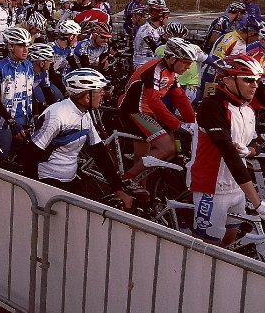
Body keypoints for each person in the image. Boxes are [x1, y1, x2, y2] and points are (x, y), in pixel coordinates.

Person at [18, 68, 134, 207]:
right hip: (48, 181)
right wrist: (34, 195)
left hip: (69, 179)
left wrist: (117, 188)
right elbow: (30, 156)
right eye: (99, 91)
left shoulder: (84, 113)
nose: (103, 93)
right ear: (86, 96)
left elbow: (99, 152)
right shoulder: (57, 115)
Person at [186, 54, 265, 245]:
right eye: (248, 80)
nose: (255, 85)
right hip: (211, 188)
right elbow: (229, 154)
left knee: (229, 243)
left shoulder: (247, 110)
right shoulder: (211, 107)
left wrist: (250, 151)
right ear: (228, 80)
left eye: (257, 80)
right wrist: (257, 202)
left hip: (236, 186)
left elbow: (258, 141)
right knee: (207, 250)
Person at [117, 37, 198, 178]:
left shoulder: (171, 72)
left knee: (142, 155)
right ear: (172, 59)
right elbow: (154, 100)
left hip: (146, 111)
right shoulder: (155, 69)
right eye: (186, 62)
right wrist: (176, 124)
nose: (189, 67)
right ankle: (126, 180)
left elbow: (180, 97)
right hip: (135, 110)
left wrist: (192, 121)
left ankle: (139, 184)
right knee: (168, 148)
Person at [0, 26, 35, 163]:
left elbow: (32, 93)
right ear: (10, 46)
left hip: (24, 116)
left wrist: (36, 114)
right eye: (21, 46)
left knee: (21, 153)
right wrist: (12, 122)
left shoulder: (29, 65)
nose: (25, 49)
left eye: (27, 45)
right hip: (4, 119)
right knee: (1, 157)